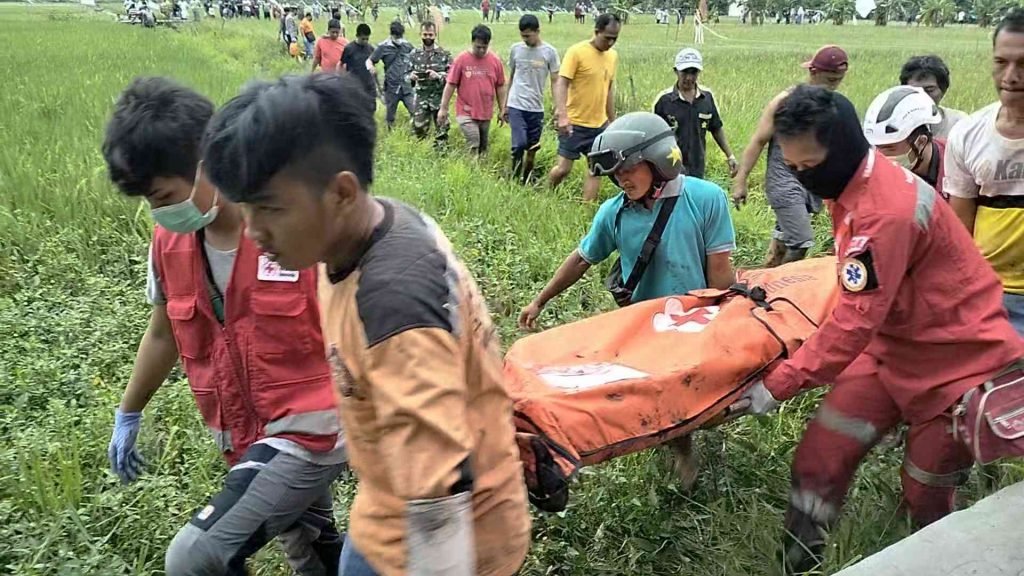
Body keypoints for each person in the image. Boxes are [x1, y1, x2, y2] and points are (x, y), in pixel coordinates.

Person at [202, 72, 531, 576]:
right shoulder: (361, 230)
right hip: (384, 508)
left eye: (269, 209)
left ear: (341, 192)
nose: (254, 232)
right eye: (246, 210)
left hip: (441, 545)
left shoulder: (395, 311)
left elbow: (437, 505)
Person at [731, 85, 1024, 575]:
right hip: (894, 347)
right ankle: (797, 562)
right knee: (821, 455)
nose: (804, 177)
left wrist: (779, 383)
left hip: (958, 360)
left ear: (842, 151)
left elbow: (854, 319)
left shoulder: (883, 211)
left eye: (809, 168)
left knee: (925, 489)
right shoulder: (847, 185)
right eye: (793, 168)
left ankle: (943, 559)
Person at [101, 77, 347, 576]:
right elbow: (163, 331)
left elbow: (360, 320)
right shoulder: (168, 245)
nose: (160, 212)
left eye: (164, 195)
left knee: (195, 557)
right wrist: (128, 413)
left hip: (311, 429)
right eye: (149, 202)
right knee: (307, 542)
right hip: (241, 432)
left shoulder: (294, 226)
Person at [520, 112, 735, 327]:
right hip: (641, 326)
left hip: (696, 321)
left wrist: (723, 325)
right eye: (616, 173)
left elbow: (719, 272)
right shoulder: (613, 212)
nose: (622, 180)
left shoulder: (706, 199)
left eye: (629, 169)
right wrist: (539, 301)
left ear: (658, 161)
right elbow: (581, 259)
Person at [731, 45, 849, 267]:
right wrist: (740, 181)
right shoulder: (785, 102)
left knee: (783, 239)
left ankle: (764, 281)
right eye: (830, 79)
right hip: (784, 181)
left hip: (811, 184)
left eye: (839, 80)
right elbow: (758, 141)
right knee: (801, 240)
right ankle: (786, 283)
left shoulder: (831, 105)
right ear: (813, 72)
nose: (834, 85)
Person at [945, 9, 1024, 337]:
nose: (1011, 76)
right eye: (1001, 62)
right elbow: (960, 229)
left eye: (1023, 64)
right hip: (989, 293)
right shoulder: (967, 134)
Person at [548, 13, 620, 202]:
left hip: (599, 125)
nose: (611, 43)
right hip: (574, 123)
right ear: (596, 31)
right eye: (607, 38)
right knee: (563, 169)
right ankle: (548, 192)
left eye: (615, 38)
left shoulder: (612, 56)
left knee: (595, 170)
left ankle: (587, 211)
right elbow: (562, 83)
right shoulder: (577, 52)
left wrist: (612, 121)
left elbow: (608, 89)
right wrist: (562, 114)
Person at [653, 47, 737, 180]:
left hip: (697, 166)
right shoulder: (664, 101)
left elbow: (716, 128)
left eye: (694, 72)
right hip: (671, 167)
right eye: (684, 72)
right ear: (676, 71)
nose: (689, 78)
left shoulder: (706, 98)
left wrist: (730, 156)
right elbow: (654, 137)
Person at [503, 14, 559, 183]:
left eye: (528, 35)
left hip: (536, 108)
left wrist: (558, 106)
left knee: (532, 149)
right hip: (516, 104)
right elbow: (511, 77)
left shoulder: (549, 52)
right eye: (523, 36)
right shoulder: (516, 50)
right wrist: (505, 105)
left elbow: (556, 81)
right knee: (519, 144)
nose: (525, 39)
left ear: (537, 31)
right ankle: (514, 177)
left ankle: (526, 179)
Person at [863, 86, 947, 198]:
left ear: (921, 142)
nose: (880, 156)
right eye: (876, 147)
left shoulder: (957, 164)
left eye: (889, 148)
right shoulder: (872, 175)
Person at [437, 25, 507, 156]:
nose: (481, 50)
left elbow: (500, 85)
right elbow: (451, 84)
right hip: (466, 111)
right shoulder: (462, 60)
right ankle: (471, 170)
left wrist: (503, 108)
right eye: (477, 47)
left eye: (484, 47)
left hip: (485, 112)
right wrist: (443, 108)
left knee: (483, 147)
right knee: (474, 142)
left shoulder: (495, 61)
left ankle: (478, 172)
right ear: (472, 42)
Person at [899, 55, 967, 139]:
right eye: (914, 91)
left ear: (943, 91)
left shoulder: (959, 123)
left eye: (929, 90)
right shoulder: (894, 124)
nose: (922, 96)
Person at [409, 21, 452, 149]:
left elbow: (452, 76)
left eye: (430, 35)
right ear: (420, 34)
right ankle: (422, 152)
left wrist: (439, 76)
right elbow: (405, 73)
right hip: (421, 97)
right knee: (419, 128)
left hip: (439, 97)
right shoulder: (414, 54)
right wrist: (411, 76)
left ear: (435, 35)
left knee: (442, 129)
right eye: (425, 34)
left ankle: (441, 154)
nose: (428, 37)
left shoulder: (444, 54)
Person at [369, 20, 415, 130]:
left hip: (407, 87)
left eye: (400, 35)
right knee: (390, 117)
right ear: (392, 34)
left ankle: (414, 131)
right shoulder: (383, 47)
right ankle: (391, 134)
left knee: (415, 112)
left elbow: (416, 60)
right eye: (396, 36)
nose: (399, 38)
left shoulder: (407, 46)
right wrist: (371, 67)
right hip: (391, 87)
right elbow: (370, 60)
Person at [341, 22, 377, 103]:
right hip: (354, 85)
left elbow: (373, 67)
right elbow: (341, 64)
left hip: (369, 84)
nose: (365, 41)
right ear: (357, 36)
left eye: (367, 39)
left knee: (370, 107)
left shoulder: (371, 49)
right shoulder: (349, 48)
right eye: (363, 39)